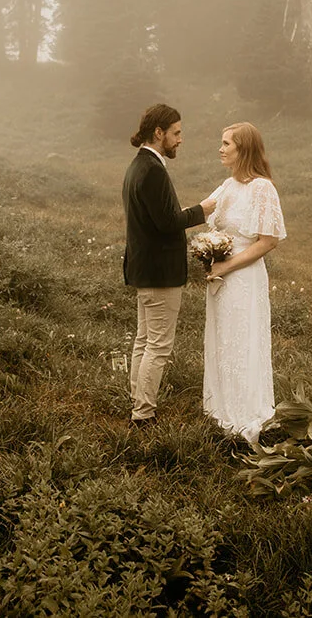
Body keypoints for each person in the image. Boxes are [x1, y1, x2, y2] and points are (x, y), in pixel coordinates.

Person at [122, 103, 217, 428]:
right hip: (159, 273)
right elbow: (168, 222)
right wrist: (202, 209)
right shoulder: (153, 170)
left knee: (145, 341)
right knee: (158, 346)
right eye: (176, 133)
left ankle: (139, 403)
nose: (180, 139)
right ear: (158, 132)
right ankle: (143, 414)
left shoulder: (137, 166)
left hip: (144, 269)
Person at [201, 121, 286, 444]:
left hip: (243, 275)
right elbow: (200, 214)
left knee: (242, 339)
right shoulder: (226, 186)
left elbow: (268, 241)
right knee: (222, 338)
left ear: (244, 149)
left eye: (227, 144)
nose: (220, 149)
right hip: (219, 275)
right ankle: (220, 408)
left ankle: (247, 413)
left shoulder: (262, 188)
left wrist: (227, 266)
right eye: (221, 143)